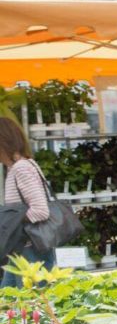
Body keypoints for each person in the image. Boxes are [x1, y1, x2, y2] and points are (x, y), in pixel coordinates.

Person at [0, 117, 53, 288]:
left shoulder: (21, 168)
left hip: (32, 251)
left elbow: (41, 211)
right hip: (21, 249)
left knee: (32, 300)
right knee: (7, 298)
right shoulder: (16, 167)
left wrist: (10, 221)